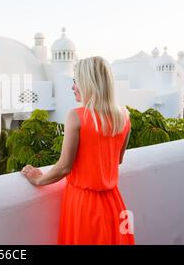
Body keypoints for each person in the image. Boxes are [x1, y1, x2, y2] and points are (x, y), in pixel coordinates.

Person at [21, 56, 135, 245]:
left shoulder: (76, 116)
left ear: (88, 83)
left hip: (84, 204)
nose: (73, 86)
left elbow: (65, 166)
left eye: (76, 81)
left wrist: (38, 179)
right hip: (113, 202)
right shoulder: (124, 118)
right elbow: (117, 160)